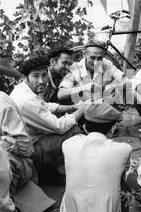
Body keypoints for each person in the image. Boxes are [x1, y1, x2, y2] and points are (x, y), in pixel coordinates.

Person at [58, 101, 132, 212]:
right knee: (122, 180)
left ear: (85, 127)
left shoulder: (68, 144)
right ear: (113, 128)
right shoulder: (123, 149)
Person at [10, 56, 85, 184]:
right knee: (74, 131)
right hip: (30, 151)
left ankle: (50, 172)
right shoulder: (27, 100)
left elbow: (45, 106)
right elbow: (59, 127)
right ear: (26, 77)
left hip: (25, 143)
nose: (41, 80)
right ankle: (67, 173)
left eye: (44, 75)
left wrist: (72, 107)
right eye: (36, 76)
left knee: (67, 119)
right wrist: (82, 110)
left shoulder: (23, 88)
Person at [57, 39, 125, 105]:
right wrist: (84, 88)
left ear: (103, 57)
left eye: (99, 58)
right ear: (85, 55)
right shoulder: (75, 69)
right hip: (81, 109)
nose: (96, 62)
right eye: (92, 57)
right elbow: (61, 94)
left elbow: (125, 79)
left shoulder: (106, 64)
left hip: (102, 106)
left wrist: (112, 87)